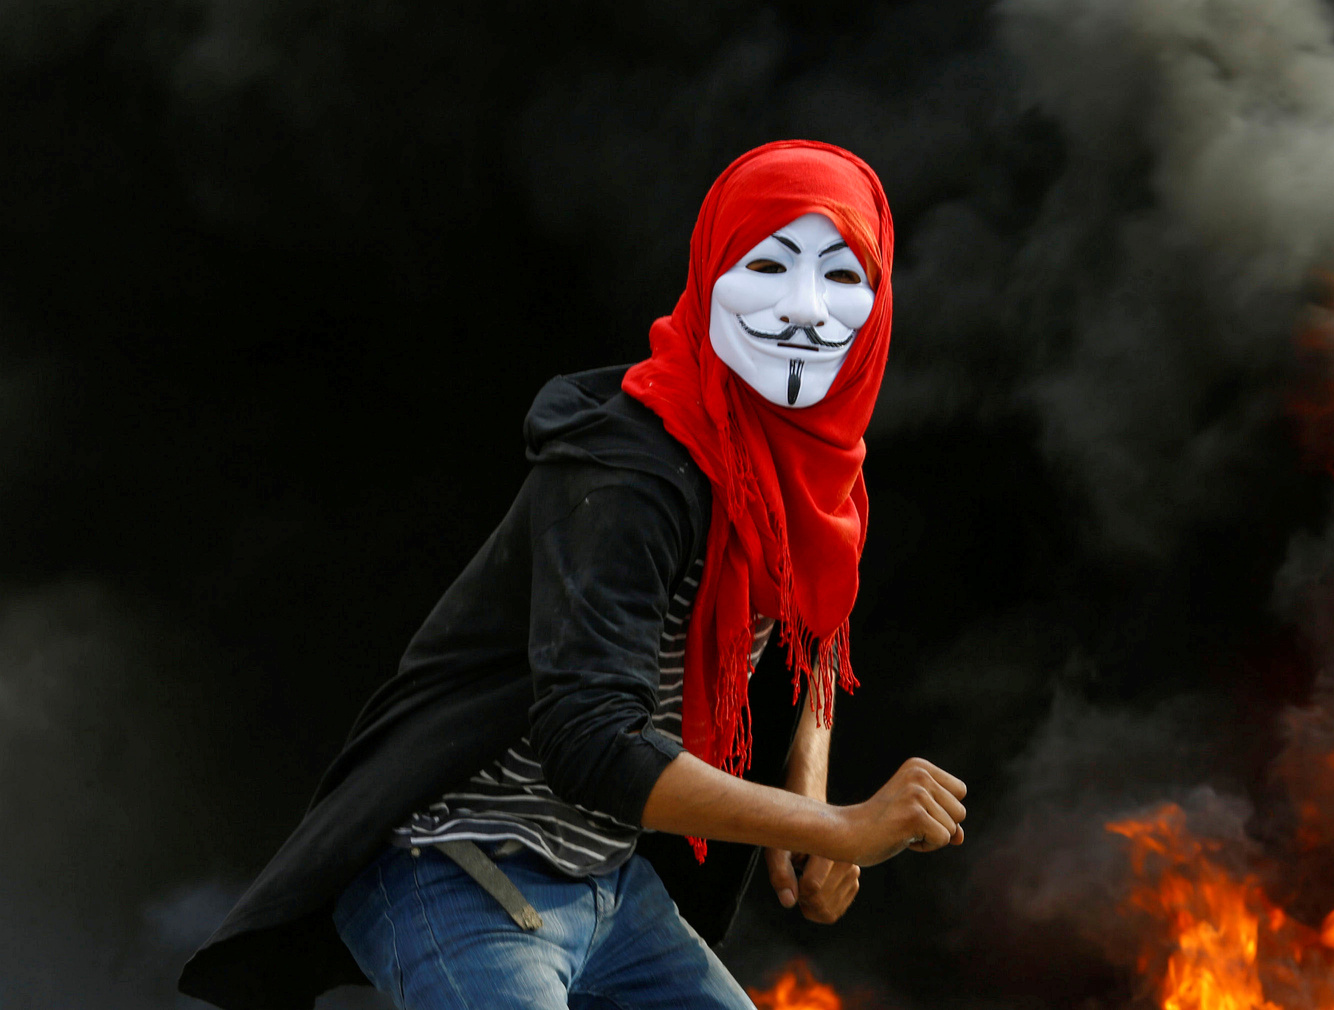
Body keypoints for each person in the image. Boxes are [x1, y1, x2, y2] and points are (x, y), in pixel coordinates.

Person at [178, 139, 967, 1010]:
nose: (805, 310)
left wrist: (808, 794)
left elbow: (811, 633)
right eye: (769, 263)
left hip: (608, 884)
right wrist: (841, 828)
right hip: (459, 864)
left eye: (845, 275)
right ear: (710, 276)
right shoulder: (628, 471)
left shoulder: (815, 474)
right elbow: (592, 741)